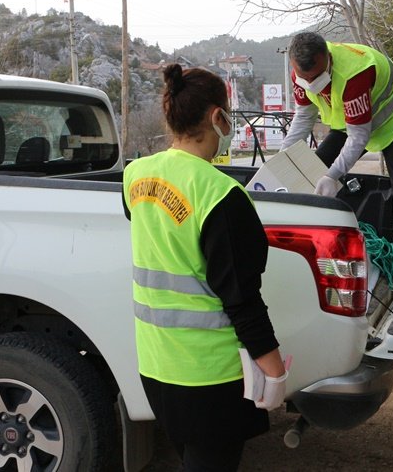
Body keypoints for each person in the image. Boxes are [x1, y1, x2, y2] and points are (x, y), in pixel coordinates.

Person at [123, 64, 287, 472]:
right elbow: (242, 299)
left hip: (156, 368)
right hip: (208, 378)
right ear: (218, 117)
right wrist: (274, 373)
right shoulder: (221, 196)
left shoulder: (134, 176)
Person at [281, 32, 393, 297]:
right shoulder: (299, 75)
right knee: (309, 175)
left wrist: (333, 175)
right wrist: (283, 161)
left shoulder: (355, 73)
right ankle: (315, 259)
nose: (311, 83)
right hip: (349, 123)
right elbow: (303, 119)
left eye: (316, 76)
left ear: (327, 57)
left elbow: (359, 137)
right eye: (305, 78)